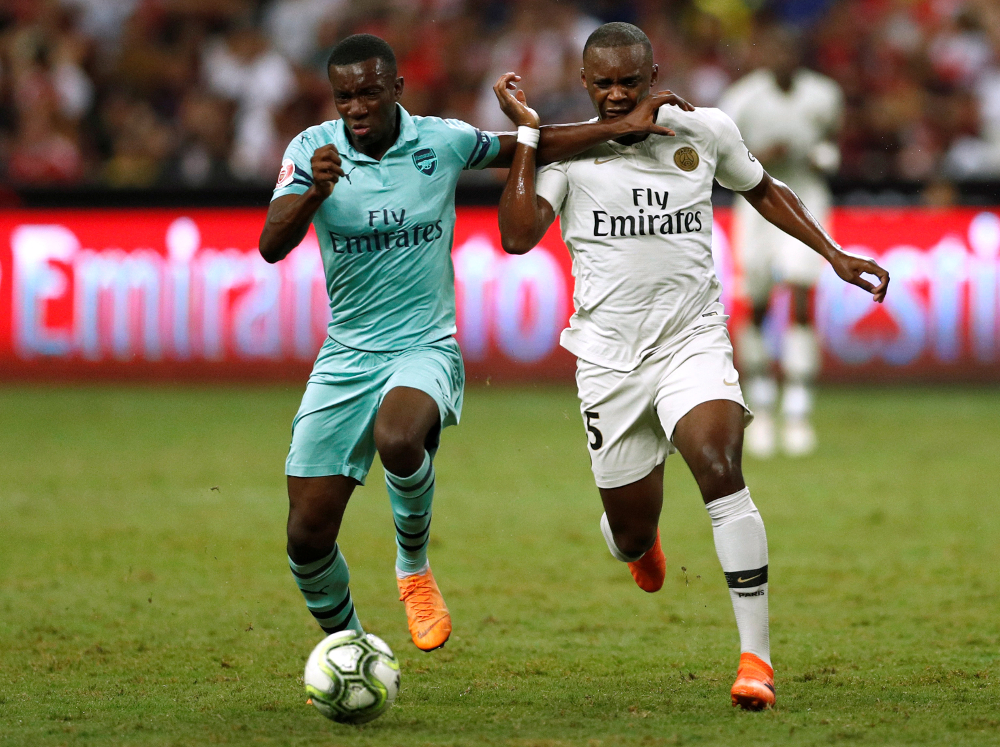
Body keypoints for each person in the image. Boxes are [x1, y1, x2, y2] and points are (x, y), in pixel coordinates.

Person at [494, 22, 888, 709]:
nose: (617, 94)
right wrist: (530, 137)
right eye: (604, 83)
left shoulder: (702, 131)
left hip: (692, 342)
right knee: (630, 529)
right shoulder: (568, 157)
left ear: (653, 77)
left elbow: (763, 187)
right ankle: (637, 544)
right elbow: (517, 235)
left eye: (630, 81)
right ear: (586, 85)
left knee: (718, 463)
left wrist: (831, 253)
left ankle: (755, 660)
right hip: (610, 363)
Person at [259, 33, 692, 653]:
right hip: (346, 354)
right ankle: (353, 650)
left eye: (369, 94)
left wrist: (622, 125)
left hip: (424, 345)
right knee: (306, 537)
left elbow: (535, 148)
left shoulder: (442, 140)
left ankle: (413, 571)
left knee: (399, 437)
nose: (355, 108)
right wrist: (312, 194)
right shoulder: (310, 151)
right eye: (344, 97)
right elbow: (272, 244)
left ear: (397, 90)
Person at [718, 25, 844, 457]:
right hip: (757, 208)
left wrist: (819, 157)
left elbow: (834, 147)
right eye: (774, 50)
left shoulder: (823, 95)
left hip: (808, 200)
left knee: (803, 297)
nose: (782, 58)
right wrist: (757, 158)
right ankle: (762, 406)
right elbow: (722, 158)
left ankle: (798, 409)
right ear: (763, 55)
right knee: (756, 304)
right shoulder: (741, 98)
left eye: (789, 50)